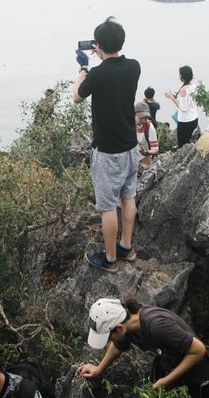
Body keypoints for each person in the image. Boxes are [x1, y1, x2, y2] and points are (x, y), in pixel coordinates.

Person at [73, 17, 142, 272]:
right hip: (131, 147)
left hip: (108, 152)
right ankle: (126, 246)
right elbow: (115, 66)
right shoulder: (134, 66)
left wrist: (83, 68)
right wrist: (103, 52)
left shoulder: (98, 73)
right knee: (128, 196)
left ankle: (110, 259)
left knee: (107, 207)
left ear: (97, 45)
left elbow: (77, 96)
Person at [80, 297, 209, 398]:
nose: (108, 342)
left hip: (198, 377)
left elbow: (199, 350)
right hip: (168, 366)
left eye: (108, 337)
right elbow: (118, 346)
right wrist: (98, 369)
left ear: (119, 328)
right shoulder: (127, 325)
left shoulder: (157, 325)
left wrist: (166, 381)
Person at [165, 66, 200, 148]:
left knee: (182, 146)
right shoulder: (194, 86)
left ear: (181, 76)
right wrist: (176, 96)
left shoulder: (183, 90)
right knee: (188, 143)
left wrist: (171, 97)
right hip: (194, 118)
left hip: (185, 122)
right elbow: (190, 101)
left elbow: (183, 108)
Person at [135, 101, 159, 168]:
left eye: (146, 118)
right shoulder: (128, 124)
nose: (143, 120)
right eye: (141, 117)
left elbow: (155, 150)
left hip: (144, 159)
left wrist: (146, 152)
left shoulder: (149, 126)